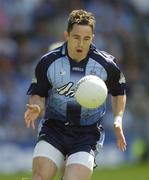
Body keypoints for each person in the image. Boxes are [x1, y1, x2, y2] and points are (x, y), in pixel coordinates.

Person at [24, 9, 127, 180]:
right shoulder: (48, 62)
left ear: (92, 38)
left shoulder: (107, 65)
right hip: (53, 129)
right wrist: (36, 106)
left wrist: (118, 119)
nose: (81, 44)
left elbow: (119, 92)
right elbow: (38, 94)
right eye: (76, 37)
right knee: (39, 177)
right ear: (66, 35)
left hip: (87, 135)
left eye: (86, 39)